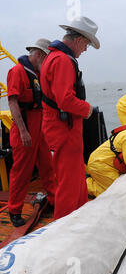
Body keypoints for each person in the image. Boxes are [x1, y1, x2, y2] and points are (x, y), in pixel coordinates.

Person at [40, 16, 100, 220]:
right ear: (79, 40)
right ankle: (63, 230)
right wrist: (87, 109)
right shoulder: (63, 61)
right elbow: (65, 99)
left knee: (76, 180)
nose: (85, 50)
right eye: (87, 46)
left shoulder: (54, 58)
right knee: (68, 184)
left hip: (63, 128)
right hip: (64, 129)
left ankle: (80, 219)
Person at [6, 39, 56, 227]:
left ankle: (53, 199)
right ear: (39, 55)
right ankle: (15, 210)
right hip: (24, 128)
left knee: (47, 165)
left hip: (39, 126)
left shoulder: (36, 74)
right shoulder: (17, 72)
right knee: (22, 172)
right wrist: (23, 131)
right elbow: (12, 102)